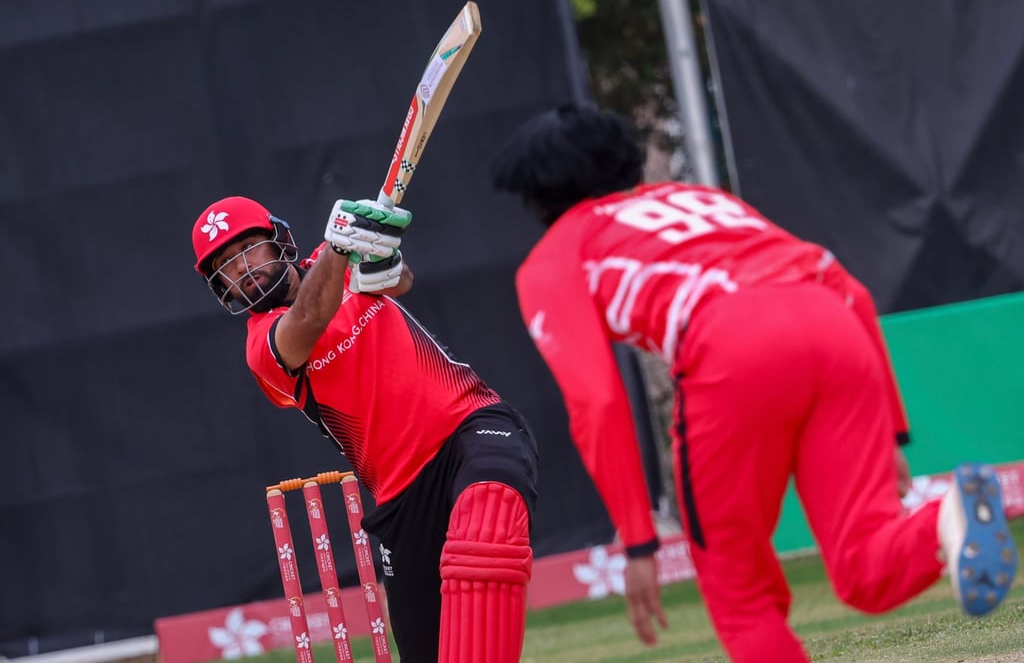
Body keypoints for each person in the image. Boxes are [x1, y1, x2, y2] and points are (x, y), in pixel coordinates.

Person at [489, 101, 1018, 662]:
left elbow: (597, 401)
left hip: (728, 345)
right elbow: (853, 292)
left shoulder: (552, 261)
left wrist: (638, 540)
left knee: (740, 597)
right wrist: (891, 435)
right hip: (833, 326)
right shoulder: (703, 200)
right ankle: (948, 514)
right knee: (866, 569)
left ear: (535, 196)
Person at [190, 195, 539, 663]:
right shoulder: (263, 347)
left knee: (486, 522)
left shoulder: (338, 256)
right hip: (400, 495)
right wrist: (341, 249)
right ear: (220, 286)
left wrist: (381, 258)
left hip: (469, 425)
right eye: (226, 265)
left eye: (249, 248)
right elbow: (310, 318)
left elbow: (399, 282)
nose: (244, 269)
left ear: (279, 240)